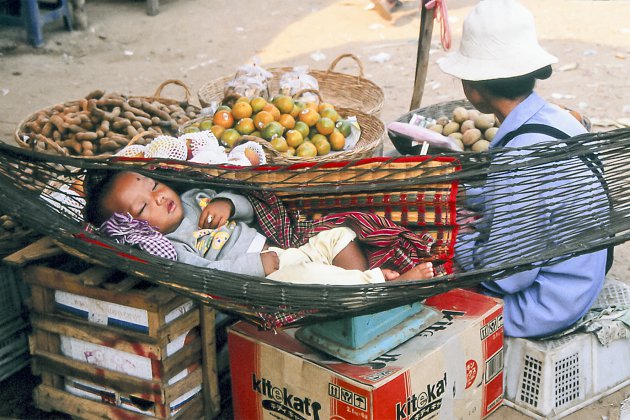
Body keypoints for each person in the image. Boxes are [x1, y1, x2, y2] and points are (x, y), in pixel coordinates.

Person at [437, 0, 607, 338]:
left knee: (425, 284)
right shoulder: (557, 118)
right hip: (581, 278)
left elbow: (507, 276)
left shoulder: (519, 159)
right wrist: (471, 198)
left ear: (472, 87)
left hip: (544, 305)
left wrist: (455, 244)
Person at [83, 170, 434, 285]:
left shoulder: (195, 196)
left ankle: (353, 289)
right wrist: (258, 266)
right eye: (144, 206)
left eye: (153, 185)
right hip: (267, 278)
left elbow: (250, 209)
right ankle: (374, 285)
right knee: (309, 276)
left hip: (285, 249)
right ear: (133, 227)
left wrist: (227, 203)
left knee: (338, 235)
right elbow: (206, 273)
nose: (158, 197)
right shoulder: (172, 245)